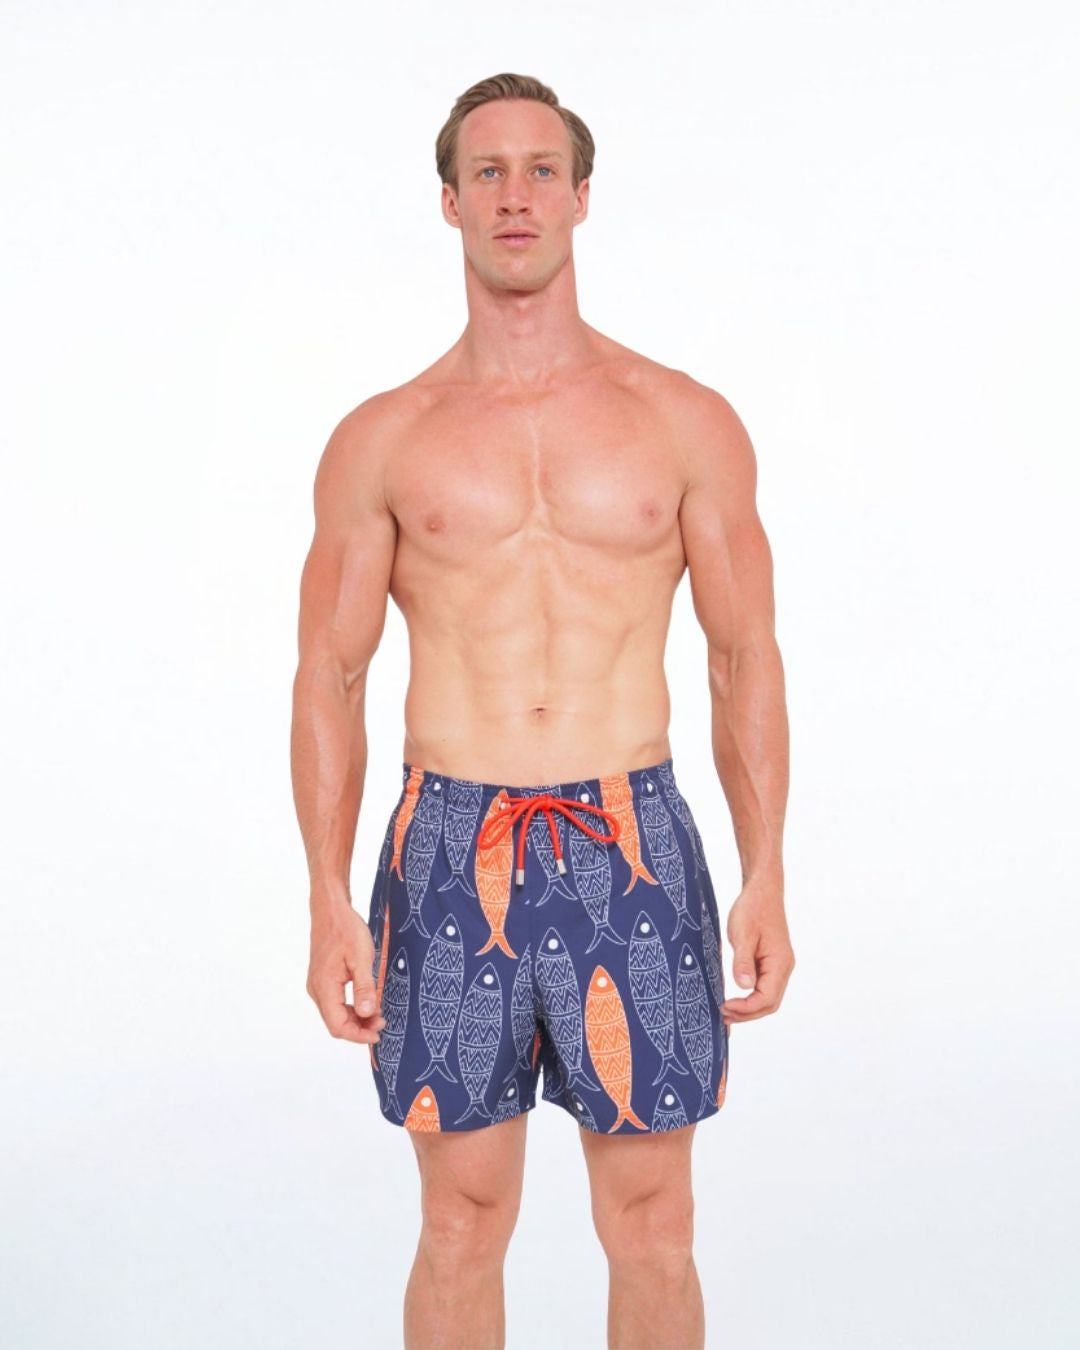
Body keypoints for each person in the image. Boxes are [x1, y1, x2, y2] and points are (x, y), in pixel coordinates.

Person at [290, 71, 794, 1350]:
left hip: (632, 839)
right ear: (450, 201)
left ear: (580, 196)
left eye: (541, 170)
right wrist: (327, 895)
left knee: (654, 1221)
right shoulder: (382, 439)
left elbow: (744, 657)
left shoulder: (682, 421)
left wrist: (767, 871)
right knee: (461, 1221)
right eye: (489, 172)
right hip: (448, 846)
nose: (516, 195)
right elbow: (329, 676)